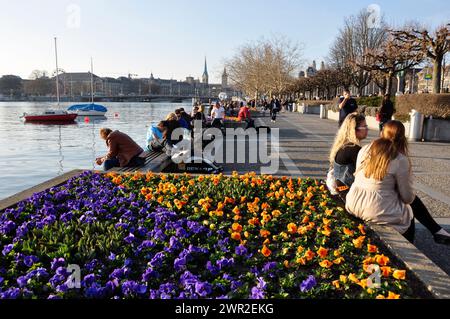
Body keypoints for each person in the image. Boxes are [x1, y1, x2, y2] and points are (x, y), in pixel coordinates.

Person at [345, 121, 450, 245]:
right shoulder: (399, 159)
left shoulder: (365, 149)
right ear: (402, 138)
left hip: (354, 201)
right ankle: (410, 248)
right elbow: (407, 198)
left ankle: (437, 231)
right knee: (408, 215)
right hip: (376, 209)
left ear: (381, 133)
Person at [327, 113, 368, 200]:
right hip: (347, 195)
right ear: (354, 130)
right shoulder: (353, 149)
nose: (367, 129)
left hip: (340, 191)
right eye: (364, 127)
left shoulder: (343, 145)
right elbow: (367, 172)